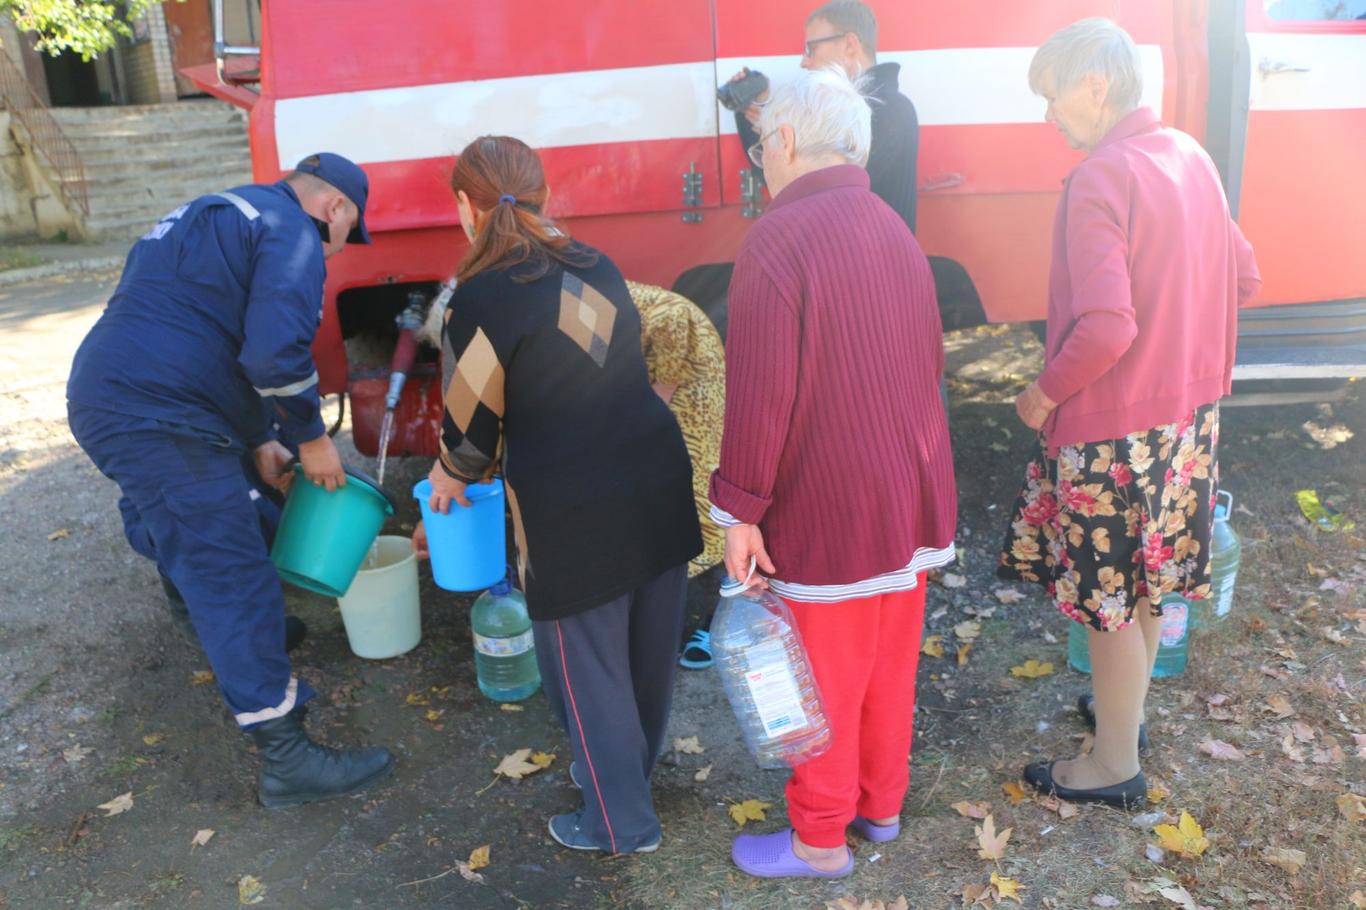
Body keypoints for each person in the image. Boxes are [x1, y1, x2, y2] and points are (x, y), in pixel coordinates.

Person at [66, 153, 396, 808]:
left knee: (201, 516)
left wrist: (255, 438)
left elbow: (197, 329)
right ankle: (286, 757)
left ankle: (211, 623)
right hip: (160, 412)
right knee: (231, 569)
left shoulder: (214, 212)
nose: (330, 256)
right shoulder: (292, 233)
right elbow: (275, 352)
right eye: (340, 239)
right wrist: (310, 438)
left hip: (115, 392)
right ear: (334, 208)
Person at [998, 19, 1260, 808]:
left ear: (1095, 86)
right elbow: (1241, 274)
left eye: (1052, 98)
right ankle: (1126, 719)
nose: (1050, 118)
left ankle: (1113, 764)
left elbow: (1109, 324)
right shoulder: (1189, 156)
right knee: (1149, 586)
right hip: (1186, 423)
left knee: (1109, 598)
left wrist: (1043, 392)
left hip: (1112, 431)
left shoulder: (1101, 177)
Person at [415, 136, 702, 854]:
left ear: (464, 208)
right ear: (545, 194)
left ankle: (617, 820)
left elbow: (473, 427)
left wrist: (449, 473)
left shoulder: (480, 297)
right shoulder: (591, 265)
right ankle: (625, 774)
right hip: (657, 481)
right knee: (644, 652)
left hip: (575, 509)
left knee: (585, 667)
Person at [711, 68, 957, 879]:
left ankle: (820, 839)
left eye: (758, 143)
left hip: (830, 502)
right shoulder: (891, 224)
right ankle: (878, 809)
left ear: (782, 140)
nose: (758, 159)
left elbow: (760, 394)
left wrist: (737, 509)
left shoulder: (779, 238)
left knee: (820, 679)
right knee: (887, 669)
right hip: (909, 494)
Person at [730, 0, 919, 232]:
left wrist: (776, 131)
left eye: (812, 49)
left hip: (867, 264)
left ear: (850, 44)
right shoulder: (888, 109)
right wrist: (764, 121)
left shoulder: (890, 111)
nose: (804, 62)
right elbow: (781, 184)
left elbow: (809, 193)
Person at [625, 280, 726, 588]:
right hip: (684, 375)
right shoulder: (599, 292)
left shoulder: (613, 298)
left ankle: (706, 557)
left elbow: (675, 315)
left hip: (692, 383)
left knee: (692, 466)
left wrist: (652, 409)